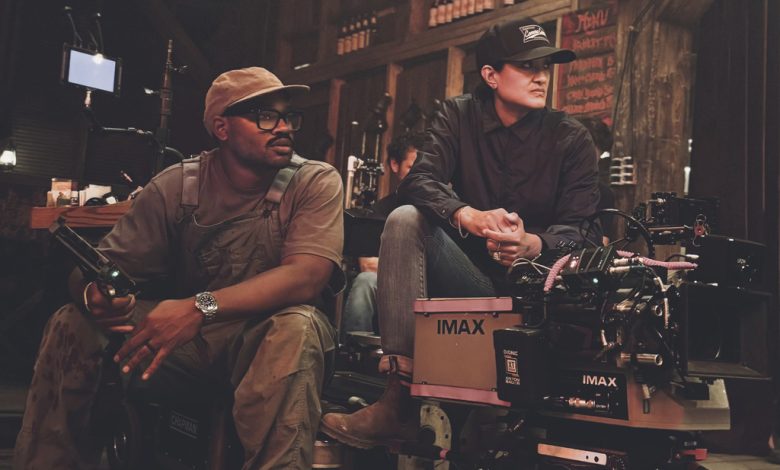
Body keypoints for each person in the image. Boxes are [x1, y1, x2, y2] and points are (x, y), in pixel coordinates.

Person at [14, 67, 343, 469]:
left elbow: (307, 276)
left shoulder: (313, 181)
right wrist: (94, 296)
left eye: (288, 116)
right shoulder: (177, 187)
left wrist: (198, 307)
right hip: (187, 347)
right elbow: (100, 270)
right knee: (72, 321)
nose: (283, 127)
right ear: (222, 128)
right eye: (264, 116)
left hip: (267, 342)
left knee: (297, 326)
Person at [321, 17, 601, 449]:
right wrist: (468, 216)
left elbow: (583, 230)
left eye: (545, 65)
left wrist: (533, 244)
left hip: (537, 298)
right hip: (468, 280)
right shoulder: (458, 114)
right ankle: (398, 402)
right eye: (527, 66)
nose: (541, 76)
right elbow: (418, 180)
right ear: (490, 75)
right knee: (405, 218)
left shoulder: (572, 138)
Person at [341, 133, 423, 339]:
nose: (421, 175)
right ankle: (358, 349)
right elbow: (368, 265)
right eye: (412, 168)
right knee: (365, 281)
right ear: (395, 165)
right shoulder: (379, 210)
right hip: (394, 285)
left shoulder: (444, 209)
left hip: (432, 287)